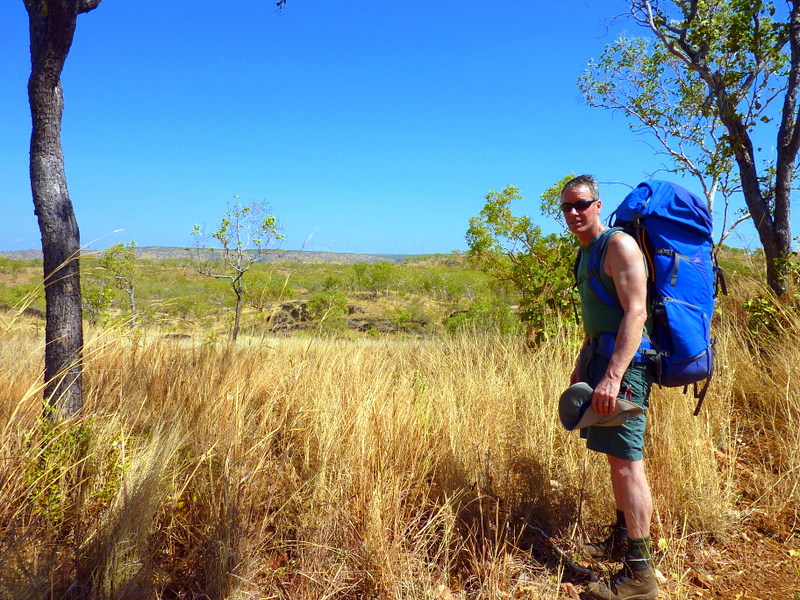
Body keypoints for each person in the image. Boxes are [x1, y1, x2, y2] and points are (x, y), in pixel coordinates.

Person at [562, 174, 659, 600]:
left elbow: (636, 313)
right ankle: (621, 539)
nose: (574, 212)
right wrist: (582, 364)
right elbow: (596, 318)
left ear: (598, 205)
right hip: (600, 361)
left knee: (627, 463)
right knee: (615, 459)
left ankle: (640, 574)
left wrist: (614, 376)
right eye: (567, 207)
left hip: (627, 367)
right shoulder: (585, 253)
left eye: (581, 204)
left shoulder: (617, 245)